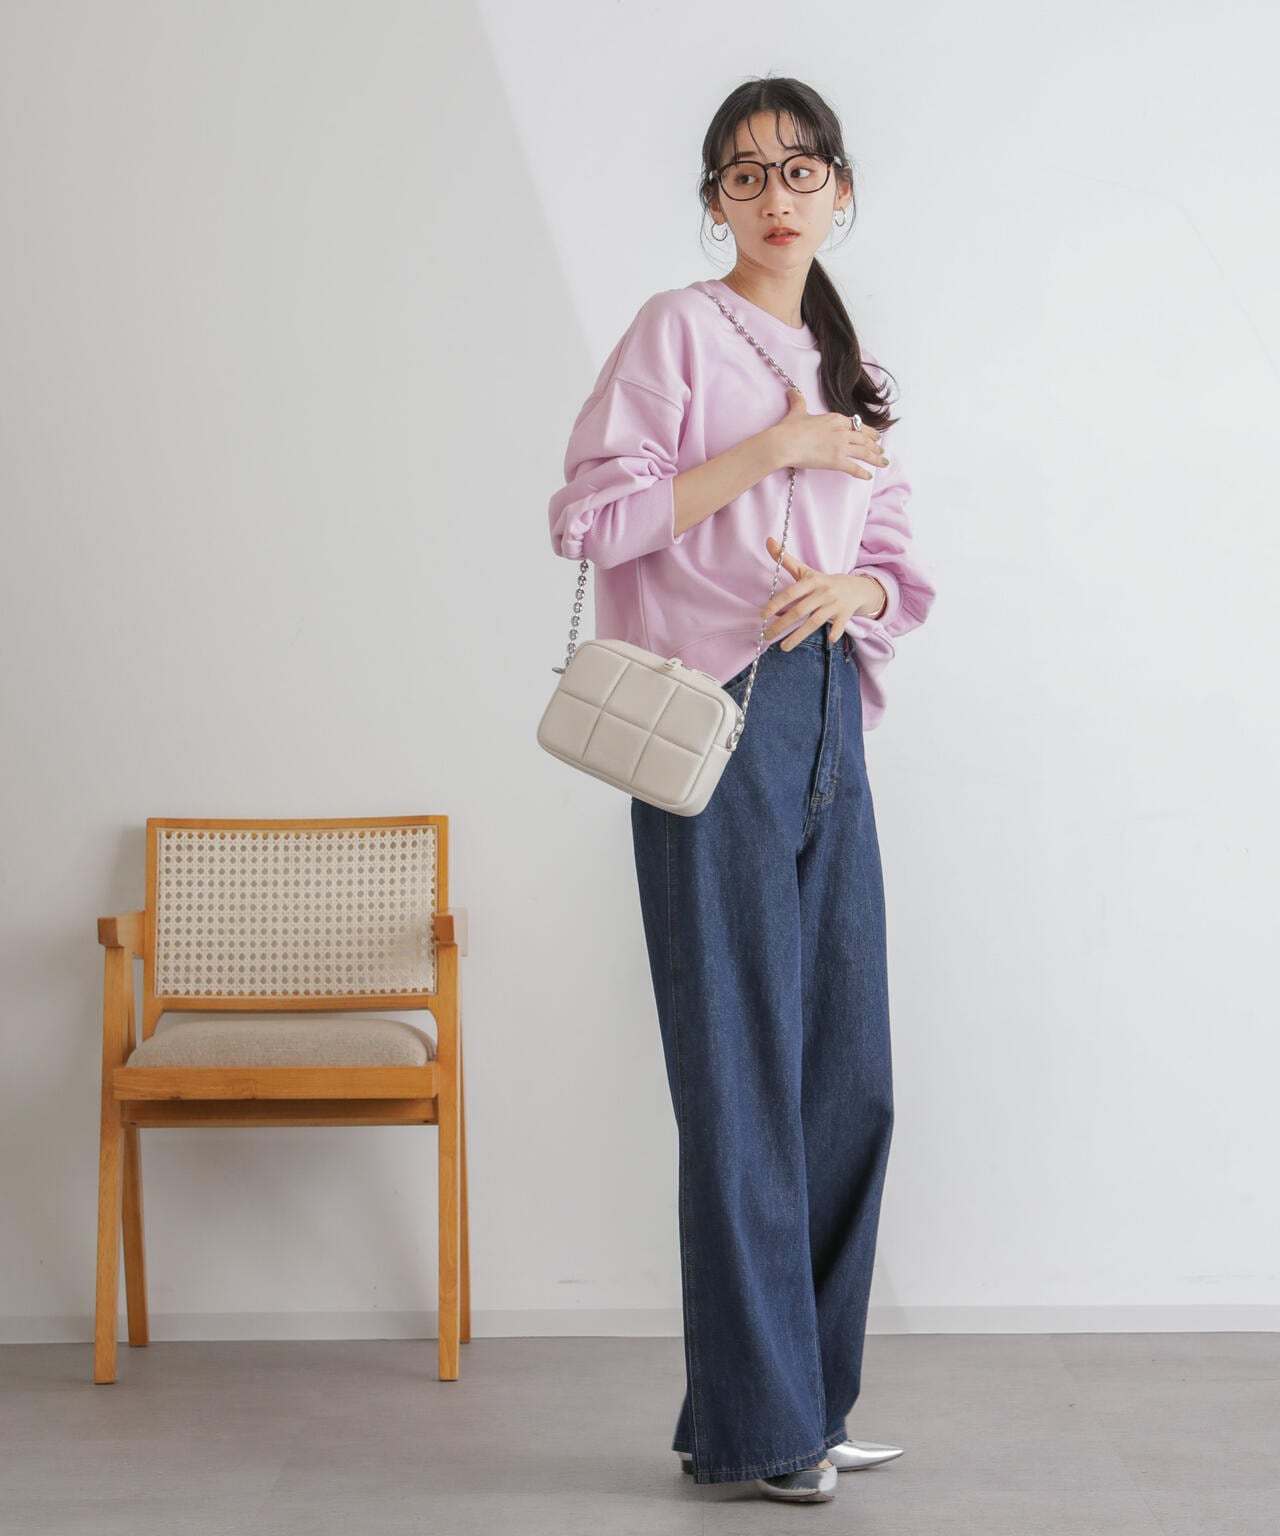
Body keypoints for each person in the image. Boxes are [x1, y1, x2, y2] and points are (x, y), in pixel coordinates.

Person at [547, 76, 936, 1505]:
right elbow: (591, 516)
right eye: (746, 174)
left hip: (826, 713)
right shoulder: (679, 329)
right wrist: (772, 449)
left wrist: (855, 590)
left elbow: (895, 553)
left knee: (848, 1082)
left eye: (802, 168)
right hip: (710, 717)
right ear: (716, 201)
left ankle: (796, 1409)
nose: (777, 196)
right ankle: (766, 1432)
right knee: (739, 1078)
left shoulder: (850, 361)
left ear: (842, 191)